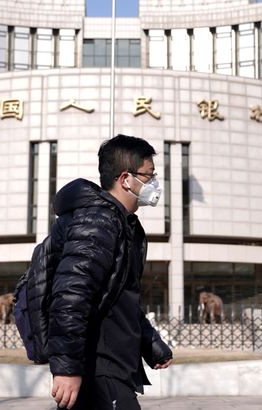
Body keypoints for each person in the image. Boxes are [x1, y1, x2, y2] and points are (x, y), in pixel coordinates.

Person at [48, 134, 173, 410]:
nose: (154, 183)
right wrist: (67, 369)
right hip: (99, 367)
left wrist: (150, 343)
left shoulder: (124, 224)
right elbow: (71, 296)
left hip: (113, 366)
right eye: (148, 176)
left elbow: (119, 298)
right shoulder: (99, 222)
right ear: (126, 179)